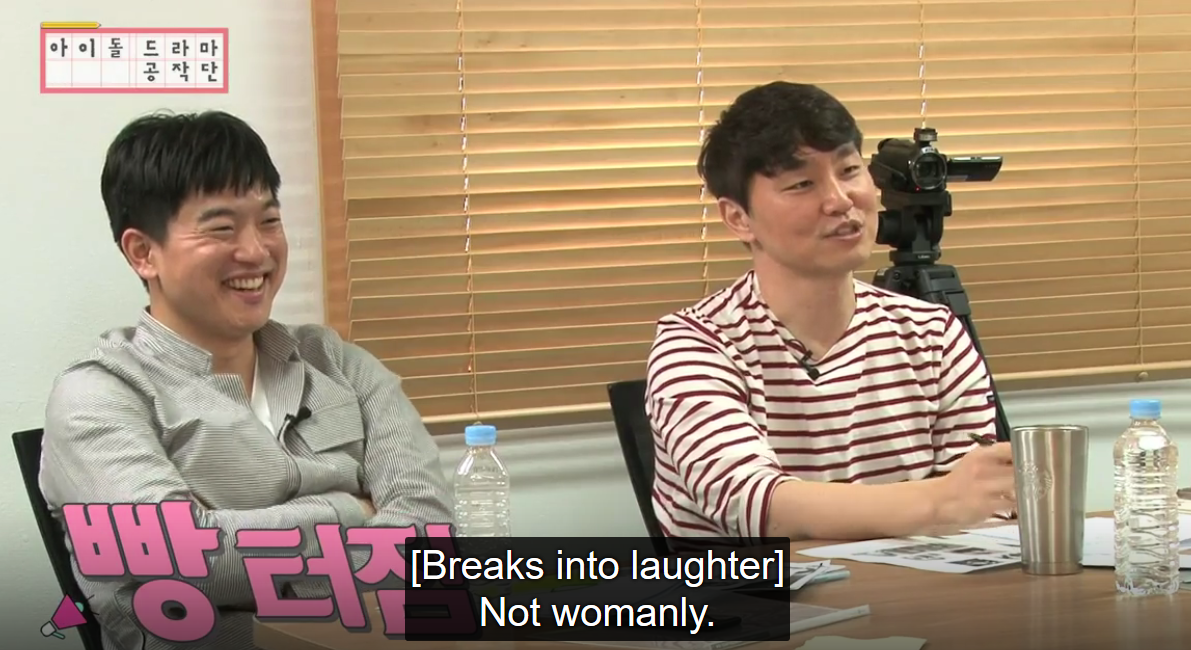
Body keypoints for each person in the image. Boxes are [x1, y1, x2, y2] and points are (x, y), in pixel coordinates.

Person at [39, 111, 454, 650]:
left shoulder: (339, 364)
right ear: (143, 253)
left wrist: (245, 554)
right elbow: (184, 561)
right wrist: (353, 511)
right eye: (221, 228)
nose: (256, 251)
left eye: (269, 221)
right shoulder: (98, 398)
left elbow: (431, 535)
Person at [645, 82, 1017, 542]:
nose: (840, 200)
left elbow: (981, 510)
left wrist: (969, 501)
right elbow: (755, 505)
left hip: (909, 586)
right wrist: (940, 501)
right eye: (802, 184)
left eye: (849, 170)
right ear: (739, 218)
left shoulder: (933, 335)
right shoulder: (695, 344)